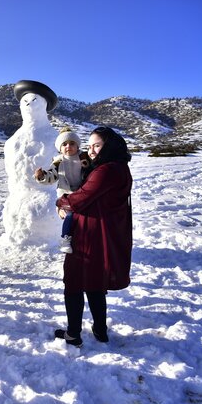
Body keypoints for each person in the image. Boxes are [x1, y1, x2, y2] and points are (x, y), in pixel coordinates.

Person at [54, 126, 133, 347]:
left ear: (110, 145)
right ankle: (100, 330)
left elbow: (77, 199)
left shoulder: (105, 171)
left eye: (97, 145)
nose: (92, 151)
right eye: (90, 146)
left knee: (73, 282)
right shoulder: (120, 168)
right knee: (95, 283)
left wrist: (60, 202)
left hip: (88, 235)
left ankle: (73, 333)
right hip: (103, 234)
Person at [35, 127, 90, 253]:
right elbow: (52, 176)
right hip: (67, 197)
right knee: (70, 216)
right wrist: (42, 176)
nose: (68, 146)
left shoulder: (84, 159)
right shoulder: (58, 163)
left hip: (84, 194)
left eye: (72, 143)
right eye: (64, 144)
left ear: (77, 146)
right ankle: (66, 239)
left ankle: (88, 240)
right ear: (60, 148)